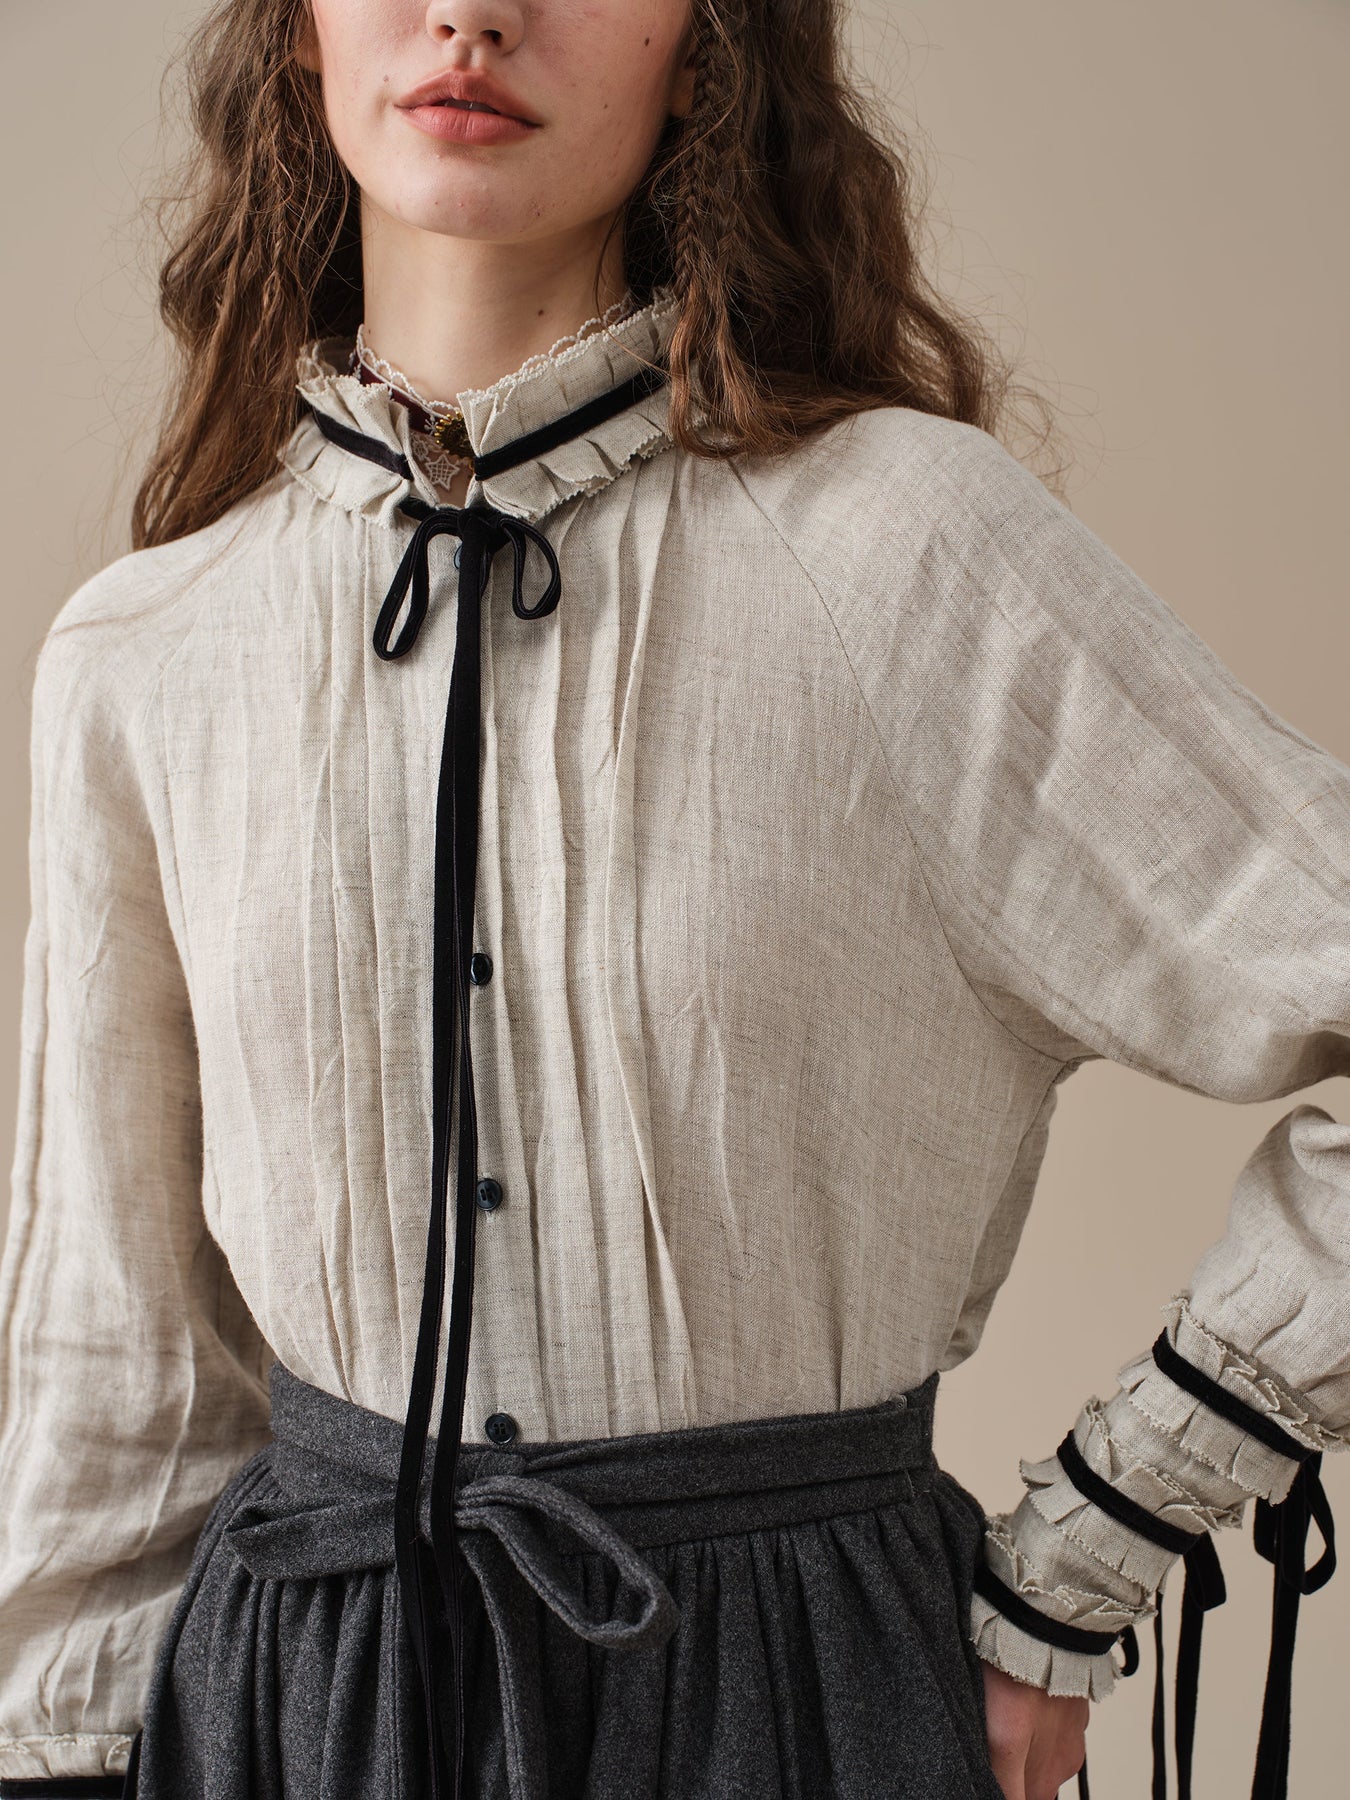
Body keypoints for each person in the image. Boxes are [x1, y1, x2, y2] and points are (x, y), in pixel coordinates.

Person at [0, 0, 1344, 1797]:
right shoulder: (147, 653)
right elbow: (117, 1355)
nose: (472, 14)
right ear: (297, 35)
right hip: (296, 1710)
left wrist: (1098, 1542)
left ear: (705, 48)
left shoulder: (905, 556)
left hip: (792, 1693)